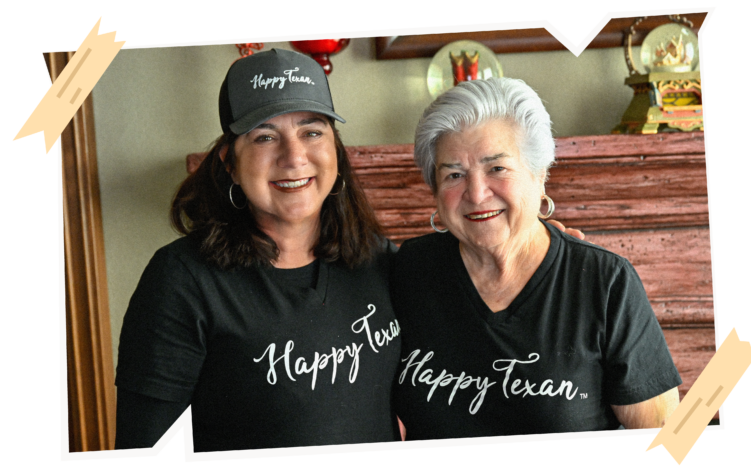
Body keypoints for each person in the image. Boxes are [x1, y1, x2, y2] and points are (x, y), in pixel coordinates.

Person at [114, 49, 403, 451]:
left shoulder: (382, 261)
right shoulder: (181, 279)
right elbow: (143, 445)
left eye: (312, 131)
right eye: (265, 136)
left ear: (335, 149)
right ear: (229, 162)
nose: (294, 157)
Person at [391, 77, 682, 440]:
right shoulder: (406, 272)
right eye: (454, 174)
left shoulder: (603, 282)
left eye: (497, 168)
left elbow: (675, 441)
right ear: (434, 192)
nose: (477, 194)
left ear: (540, 174)